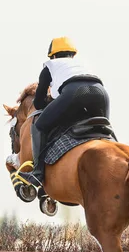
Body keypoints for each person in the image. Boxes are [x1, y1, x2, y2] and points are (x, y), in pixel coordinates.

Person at [13, 36, 110, 191]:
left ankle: (37, 173)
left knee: (38, 126)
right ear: (73, 54)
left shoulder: (50, 65)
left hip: (74, 93)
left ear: (53, 55)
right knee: (105, 129)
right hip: (101, 93)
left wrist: (49, 102)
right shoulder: (83, 64)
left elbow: (38, 103)